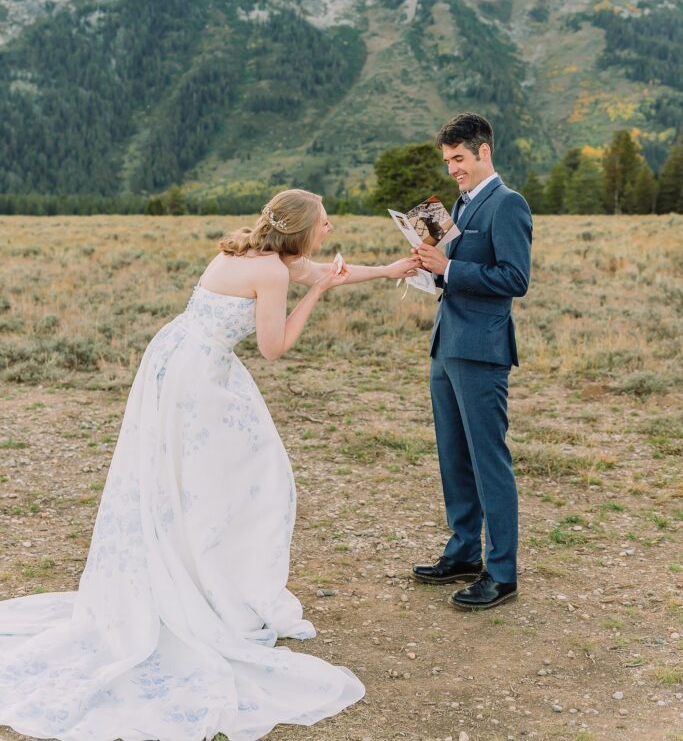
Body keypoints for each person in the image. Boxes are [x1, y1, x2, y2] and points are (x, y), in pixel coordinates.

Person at [0, 189, 419, 741]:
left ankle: (213, 572)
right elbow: (275, 345)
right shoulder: (271, 272)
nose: (331, 225)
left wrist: (388, 269)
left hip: (181, 358)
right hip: (197, 377)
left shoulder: (256, 252)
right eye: (324, 220)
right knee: (245, 478)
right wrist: (316, 292)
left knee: (214, 479)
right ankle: (214, 585)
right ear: (299, 230)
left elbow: (322, 268)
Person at [412, 114, 532, 610]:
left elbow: (514, 278)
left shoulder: (508, 205)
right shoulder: (460, 204)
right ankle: (463, 552)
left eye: (458, 159)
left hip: (482, 348)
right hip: (447, 342)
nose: (453, 169)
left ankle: (501, 572)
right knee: (453, 455)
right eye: (447, 161)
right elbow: (458, 274)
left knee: (488, 459)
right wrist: (431, 271)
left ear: (484, 152)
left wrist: (451, 267)